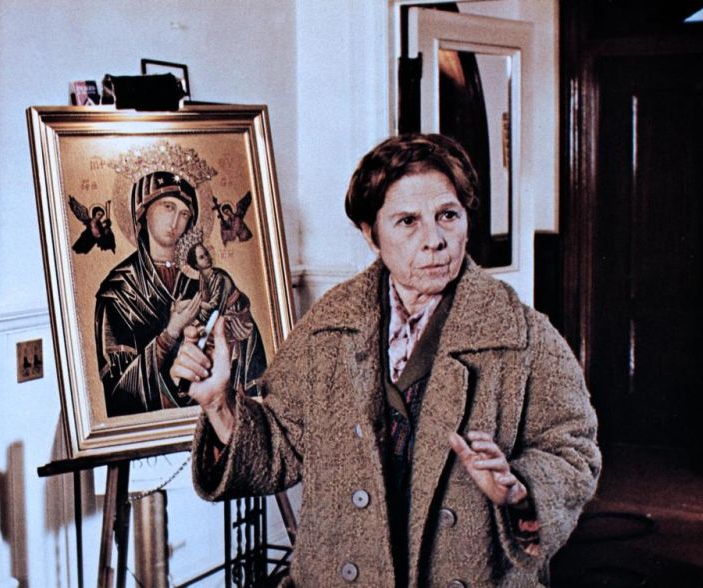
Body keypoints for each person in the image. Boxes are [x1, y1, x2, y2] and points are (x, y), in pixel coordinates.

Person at [172, 134, 601, 587]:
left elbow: (573, 452)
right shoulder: (329, 327)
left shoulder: (521, 334)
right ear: (370, 234)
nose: (434, 240)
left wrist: (520, 489)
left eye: (448, 215)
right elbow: (279, 450)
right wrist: (220, 405)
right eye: (408, 221)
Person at [94, 170, 203, 416]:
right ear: (143, 211)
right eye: (168, 207)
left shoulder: (202, 281)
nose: (175, 222)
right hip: (154, 427)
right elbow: (119, 392)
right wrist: (170, 333)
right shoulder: (118, 291)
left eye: (184, 213)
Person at [181, 237, 267, 396]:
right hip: (223, 321)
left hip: (238, 323)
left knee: (205, 342)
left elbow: (215, 307)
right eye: (201, 257)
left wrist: (195, 307)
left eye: (206, 254)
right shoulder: (203, 281)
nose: (207, 257)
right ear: (195, 265)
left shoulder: (220, 277)